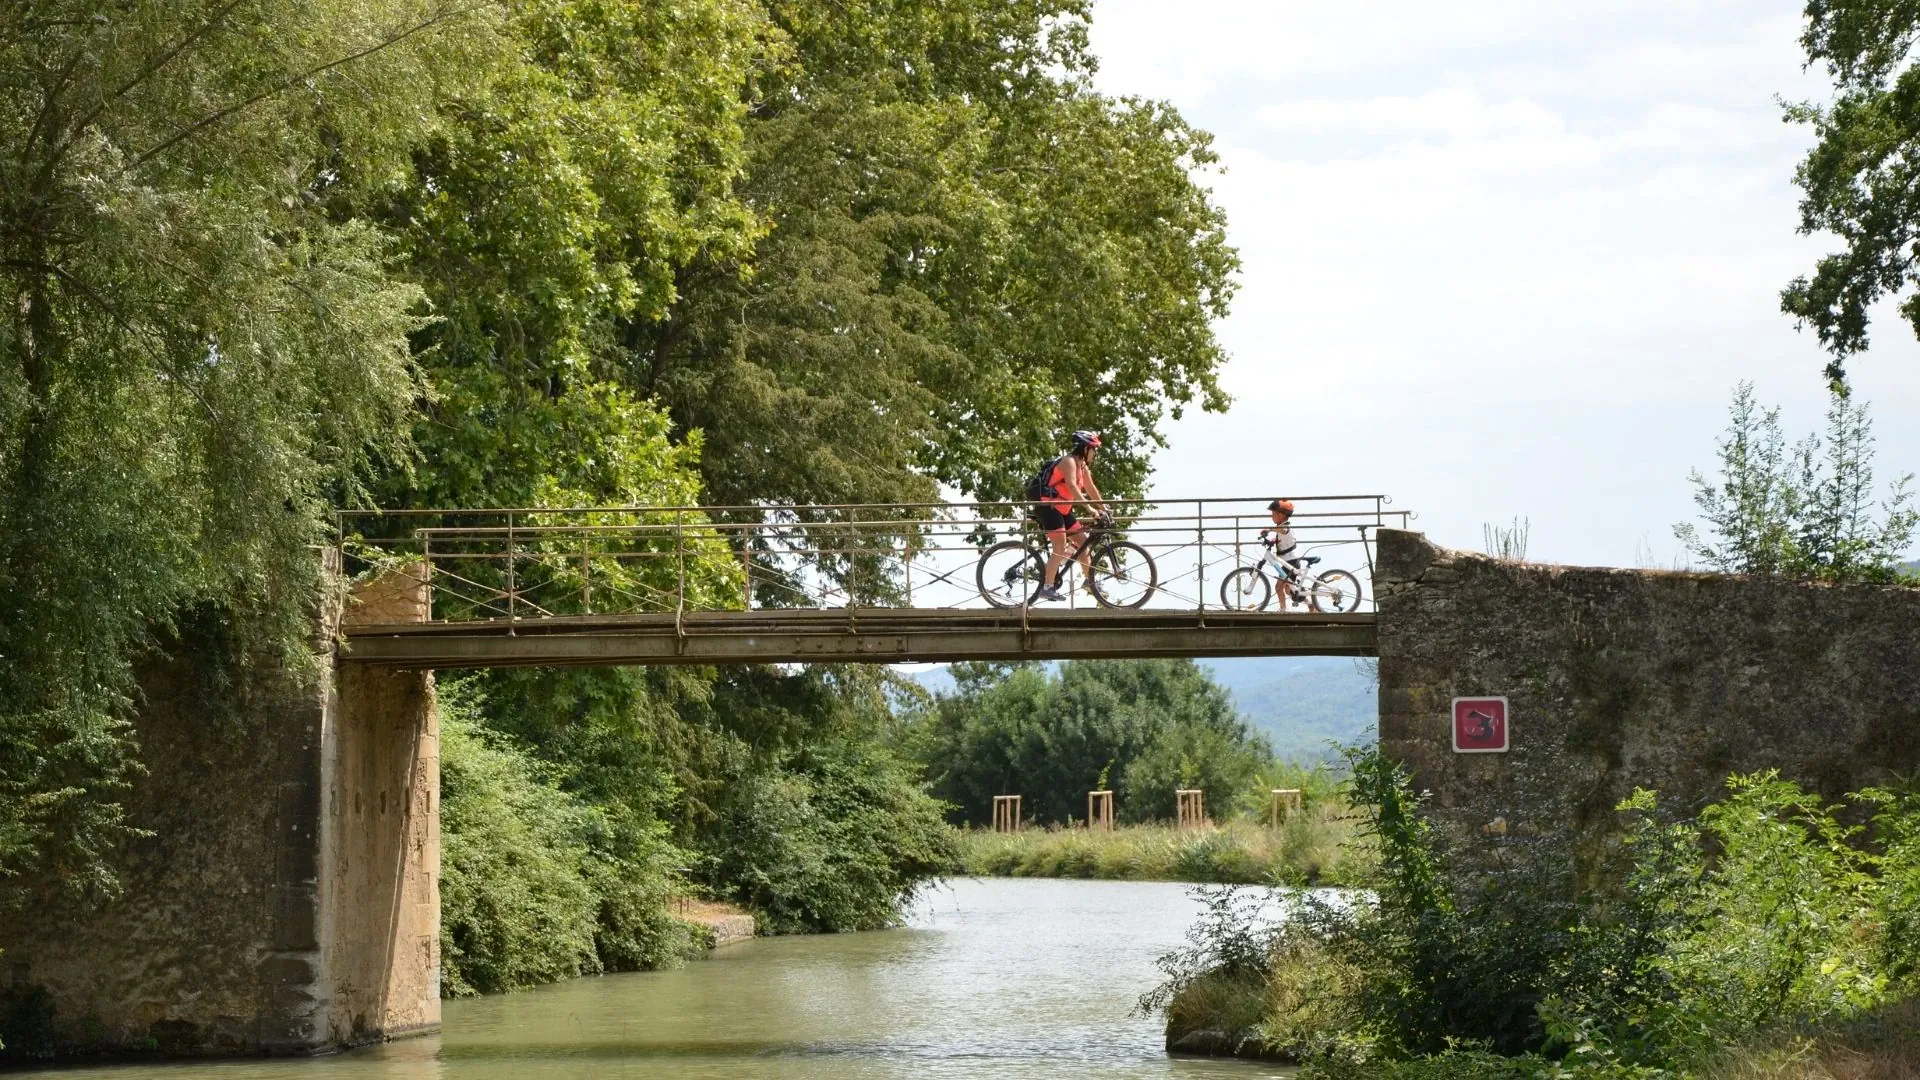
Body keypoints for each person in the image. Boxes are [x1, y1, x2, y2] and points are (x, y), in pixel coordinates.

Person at [1031, 431, 1107, 602]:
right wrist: (1090, 509)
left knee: (1083, 542)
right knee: (1060, 544)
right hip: (1048, 507)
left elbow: (1091, 489)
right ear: (1085, 448)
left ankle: (1090, 581)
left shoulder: (1082, 467)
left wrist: (1104, 508)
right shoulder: (1069, 462)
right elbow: (1073, 487)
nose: (1095, 453)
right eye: (1093, 449)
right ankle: (1047, 586)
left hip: (1063, 510)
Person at [1260, 498, 1302, 609]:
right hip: (1288, 562)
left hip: (1291, 562)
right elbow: (1282, 538)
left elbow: (1283, 531)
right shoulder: (1282, 526)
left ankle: (1284, 609)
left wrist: (1269, 529)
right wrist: (1272, 541)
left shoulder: (1285, 526)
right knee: (1289, 590)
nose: (1271, 516)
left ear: (1281, 515)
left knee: (1281, 588)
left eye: (1273, 513)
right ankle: (1309, 603)